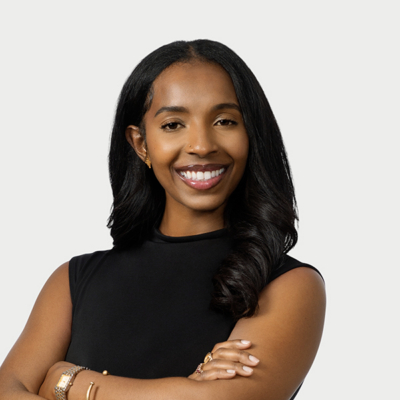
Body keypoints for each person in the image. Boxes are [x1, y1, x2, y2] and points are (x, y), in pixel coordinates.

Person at [0, 39, 326, 400]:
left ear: (250, 134)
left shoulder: (288, 284)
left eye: (225, 121)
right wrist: (184, 389)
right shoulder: (72, 282)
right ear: (141, 144)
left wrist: (67, 381)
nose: (202, 145)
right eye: (173, 124)